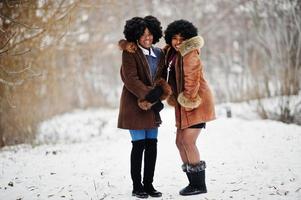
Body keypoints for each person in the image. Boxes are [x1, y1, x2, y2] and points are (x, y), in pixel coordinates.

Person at [117, 16, 171, 199]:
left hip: (153, 106)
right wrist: (150, 95)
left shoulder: (159, 53)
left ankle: (149, 184)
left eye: (150, 34)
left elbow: (162, 78)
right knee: (138, 146)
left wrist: (160, 93)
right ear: (136, 36)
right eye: (142, 34)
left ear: (155, 34)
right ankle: (137, 186)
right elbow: (130, 79)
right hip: (134, 104)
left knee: (152, 145)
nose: (147, 37)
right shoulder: (130, 53)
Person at [163, 19, 216, 196]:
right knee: (179, 142)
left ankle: (199, 185)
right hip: (183, 104)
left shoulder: (190, 52)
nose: (178, 42)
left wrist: (188, 100)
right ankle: (193, 183)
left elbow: (192, 79)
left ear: (188, 39)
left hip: (196, 102)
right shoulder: (172, 53)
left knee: (188, 141)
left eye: (182, 38)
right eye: (174, 38)